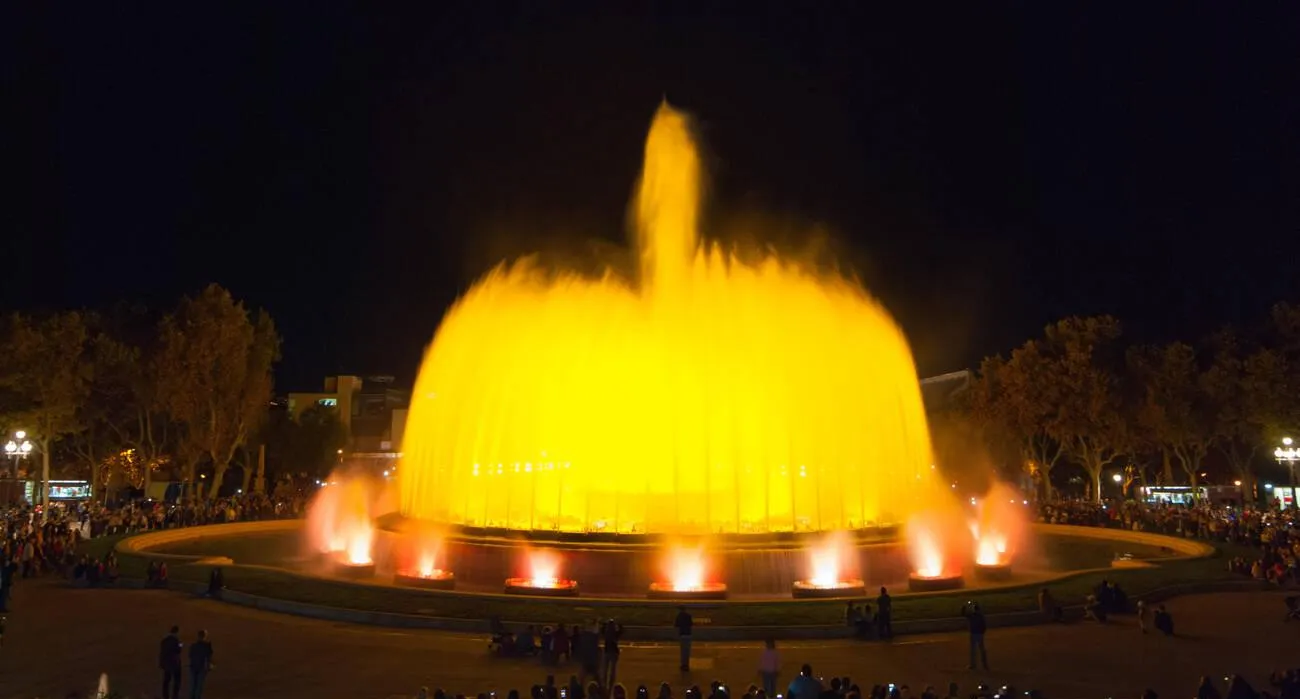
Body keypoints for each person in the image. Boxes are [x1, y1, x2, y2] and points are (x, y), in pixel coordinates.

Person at [961, 602, 989, 671]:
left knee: (974, 650)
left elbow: (964, 614)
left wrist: (964, 607)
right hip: (979, 634)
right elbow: (984, 625)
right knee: (981, 649)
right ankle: (984, 664)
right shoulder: (980, 616)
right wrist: (982, 632)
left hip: (974, 634)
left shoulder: (972, 615)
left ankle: (973, 665)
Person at [159, 625, 184, 699]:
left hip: (166, 663)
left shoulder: (164, 640)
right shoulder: (177, 641)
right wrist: (180, 645)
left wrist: (161, 662)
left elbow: (162, 652)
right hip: (175, 663)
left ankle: (165, 696)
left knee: (166, 681)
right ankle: (175, 696)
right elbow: (178, 651)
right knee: (177, 681)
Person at [189, 629, 213, 699]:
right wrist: (209, 666)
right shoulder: (207, 646)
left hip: (193, 666)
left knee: (193, 685)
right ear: (205, 636)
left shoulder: (193, 645)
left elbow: (190, 655)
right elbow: (209, 657)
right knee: (199, 686)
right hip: (201, 667)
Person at [601, 619, 623, 689]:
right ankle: (610, 682)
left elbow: (602, 630)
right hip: (613, 652)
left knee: (605, 669)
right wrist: (620, 625)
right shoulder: (615, 633)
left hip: (607, 652)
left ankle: (605, 682)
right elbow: (621, 631)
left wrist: (603, 625)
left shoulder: (607, 633)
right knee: (612, 669)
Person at [675, 606, 693, 672]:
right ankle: (687, 665)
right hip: (688, 634)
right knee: (687, 651)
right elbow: (691, 624)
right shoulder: (689, 615)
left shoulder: (679, 616)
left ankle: (683, 665)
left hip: (682, 634)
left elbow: (676, 625)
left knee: (682, 651)